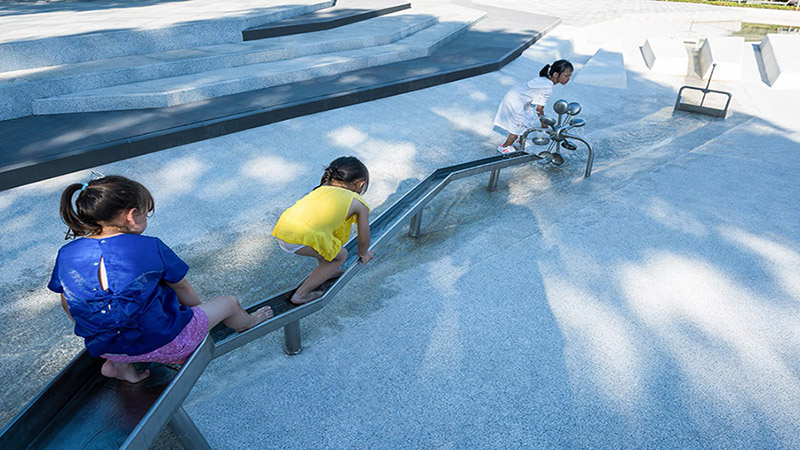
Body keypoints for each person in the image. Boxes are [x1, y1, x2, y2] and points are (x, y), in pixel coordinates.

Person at [49, 175, 272, 383]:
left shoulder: (67, 253)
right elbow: (182, 288)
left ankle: (119, 366)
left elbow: (67, 303)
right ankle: (250, 322)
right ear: (131, 215)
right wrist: (201, 319)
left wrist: (98, 330)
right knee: (229, 303)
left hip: (105, 347)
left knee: (119, 318)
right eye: (146, 213)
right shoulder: (150, 246)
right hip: (167, 344)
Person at [272, 156, 374, 305]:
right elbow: (363, 237)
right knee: (340, 255)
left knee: (328, 248)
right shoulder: (357, 203)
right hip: (300, 238)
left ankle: (328, 271)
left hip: (283, 231)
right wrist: (364, 254)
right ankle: (301, 294)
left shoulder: (322, 189)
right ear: (361, 184)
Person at [494, 59, 574, 154]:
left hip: (520, 99)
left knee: (527, 120)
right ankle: (505, 146)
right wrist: (543, 123)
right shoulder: (547, 87)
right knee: (518, 124)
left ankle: (520, 142)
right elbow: (539, 108)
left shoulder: (545, 80)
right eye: (566, 76)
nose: (568, 79)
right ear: (556, 74)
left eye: (570, 76)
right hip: (515, 100)